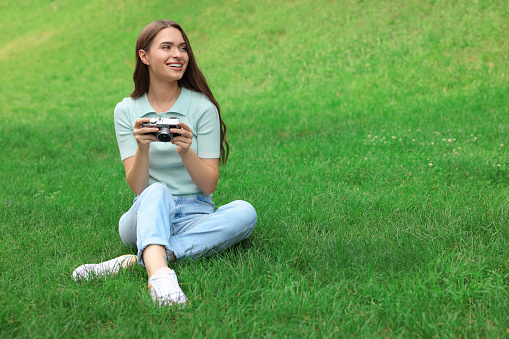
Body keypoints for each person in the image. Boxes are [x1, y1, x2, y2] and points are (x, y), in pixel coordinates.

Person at [72, 20, 257, 307]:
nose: (178, 54)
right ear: (144, 56)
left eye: (182, 48)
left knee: (245, 212)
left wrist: (186, 150)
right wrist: (142, 148)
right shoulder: (126, 110)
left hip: (196, 213)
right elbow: (137, 186)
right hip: (145, 212)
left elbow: (209, 184)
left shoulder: (202, 107)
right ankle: (160, 277)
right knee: (157, 190)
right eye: (167, 47)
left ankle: (142, 258)